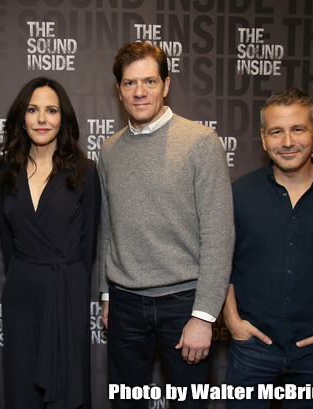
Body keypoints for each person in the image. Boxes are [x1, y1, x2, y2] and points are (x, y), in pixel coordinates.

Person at [98, 42, 234, 409]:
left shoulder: (201, 142)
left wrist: (204, 316)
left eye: (149, 81)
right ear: (119, 89)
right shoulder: (108, 151)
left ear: (166, 84)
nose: (139, 92)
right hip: (125, 303)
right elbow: (107, 227)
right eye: (129, 83)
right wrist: (107, 294)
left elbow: (220, 235)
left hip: (184, 304)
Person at [223, 86, 313, 408]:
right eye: (276, 132)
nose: (287, 142)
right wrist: (233, 321)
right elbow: (221, 264)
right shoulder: (237, 195)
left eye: (297, 129)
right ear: (264, 139)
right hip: (252, 349)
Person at [0, 77, 101, 409]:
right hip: (21, 295)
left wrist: (73, 286)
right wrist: (26, 276)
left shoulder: (85, 171)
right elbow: (5, 242)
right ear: (21, 119)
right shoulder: (5, 171)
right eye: (33, 110)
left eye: (51, 110)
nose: (42, 119)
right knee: (21, 388)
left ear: (63, 118)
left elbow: (89, 245)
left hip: (67, 290)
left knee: (67, 390)